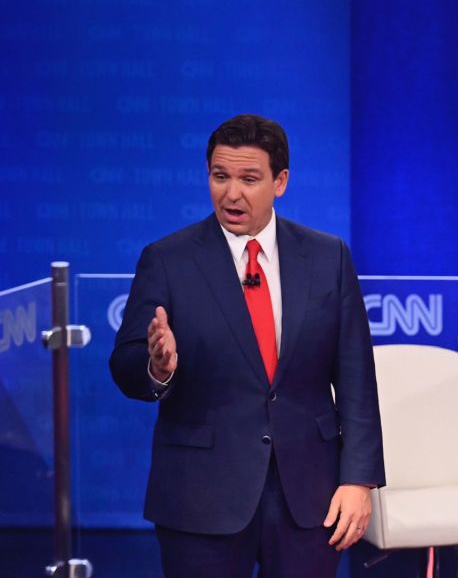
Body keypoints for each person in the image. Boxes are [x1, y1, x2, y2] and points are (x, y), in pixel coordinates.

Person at [110, 114, 385, 577]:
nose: (231, 193)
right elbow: (125, 365)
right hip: (201, 496)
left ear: (280, 182)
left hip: (309, 497)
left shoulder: (327, 257)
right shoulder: (167, 260)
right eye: (220, 176)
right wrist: (157, 367)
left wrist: (359, 479)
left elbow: (357, 379)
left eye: (249, 178)